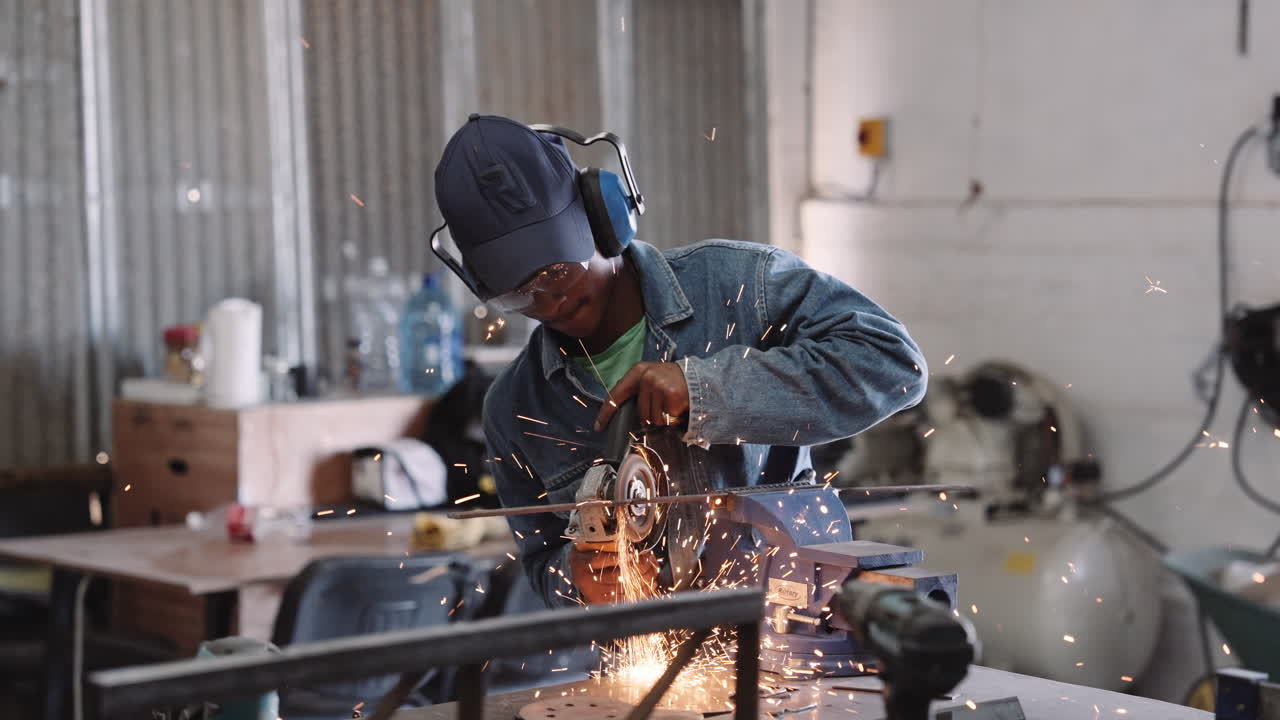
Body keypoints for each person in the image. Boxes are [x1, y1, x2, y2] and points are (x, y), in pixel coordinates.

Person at [432, 114, 927, 608]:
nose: (548, 303)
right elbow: (542, 565)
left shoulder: (737, 287)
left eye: (557, 272)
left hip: (790, 630)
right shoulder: (515, 408)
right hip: (645, 664)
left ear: (602, 217)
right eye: (519, 295)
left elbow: (894, 365)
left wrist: (708, 392)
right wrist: (577, 580)